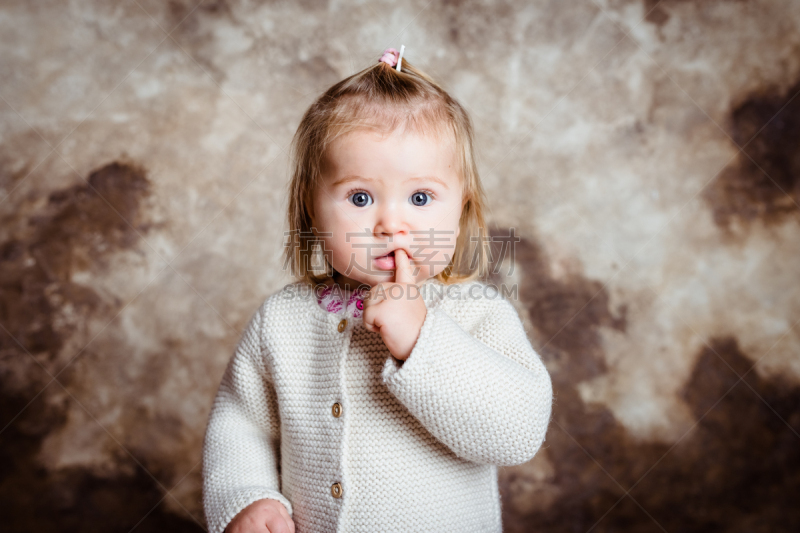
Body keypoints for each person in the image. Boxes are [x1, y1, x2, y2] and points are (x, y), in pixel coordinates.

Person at [201, 47, 553, 533]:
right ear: (312, 210)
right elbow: (241, 425)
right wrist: (247, 496)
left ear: (461, 209)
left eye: (421, 197)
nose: (392, 225)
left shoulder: (476, 314)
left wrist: (422, 341)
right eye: (360, 197)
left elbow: (516, 433)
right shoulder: (281, 321)